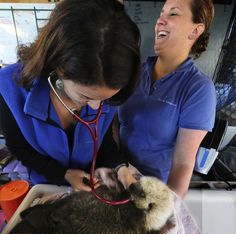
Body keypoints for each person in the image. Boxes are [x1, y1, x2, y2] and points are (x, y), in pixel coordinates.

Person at [0, 0, 140, 192]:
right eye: (85, 96)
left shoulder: (106, 87)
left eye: (106, 99)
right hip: (44, 185)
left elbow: (103, 139)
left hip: (91, 185)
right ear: (59, 68)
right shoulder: (10, 89)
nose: (97, 107)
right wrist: (63, 173)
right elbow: (20, 148)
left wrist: (119, 167)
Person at [117, 0, 216, 198]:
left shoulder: (198, 89)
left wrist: (167, 210)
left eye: (173, 14)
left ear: (196, 30)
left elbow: (182, 165)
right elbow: (112, 125)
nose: (160, 21)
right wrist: (117, 166)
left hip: (151, 191)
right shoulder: (134, 72)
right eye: (161, 14)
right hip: (117, 176)